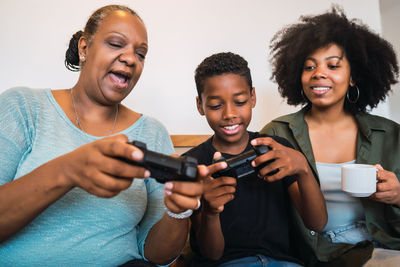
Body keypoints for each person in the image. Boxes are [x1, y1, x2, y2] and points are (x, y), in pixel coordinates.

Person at [0, 5, 209, 266]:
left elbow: (156, 256)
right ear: (84, 48)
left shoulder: (152, 132)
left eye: (141, 54)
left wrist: (178, 213)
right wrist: (69, 170)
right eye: (115, 44)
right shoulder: (23, 107)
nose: (131, 59)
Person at [261, 6, 400, 267]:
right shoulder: (278, 133)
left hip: (383, 247)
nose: (319, 73)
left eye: (333, 65)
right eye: (309, 66)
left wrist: (398, 195)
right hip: (317, 253)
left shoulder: (390, 134)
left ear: (353, 77)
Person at [183, 52, 327, 267]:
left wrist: (303, 169)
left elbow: (317, 223)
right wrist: (210, 211)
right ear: (200, 105)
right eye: (215, 105)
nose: (229, 113)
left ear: (252, 97)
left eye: (240, 101)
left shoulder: (275, 149)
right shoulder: (193, 164)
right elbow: (212, 254)